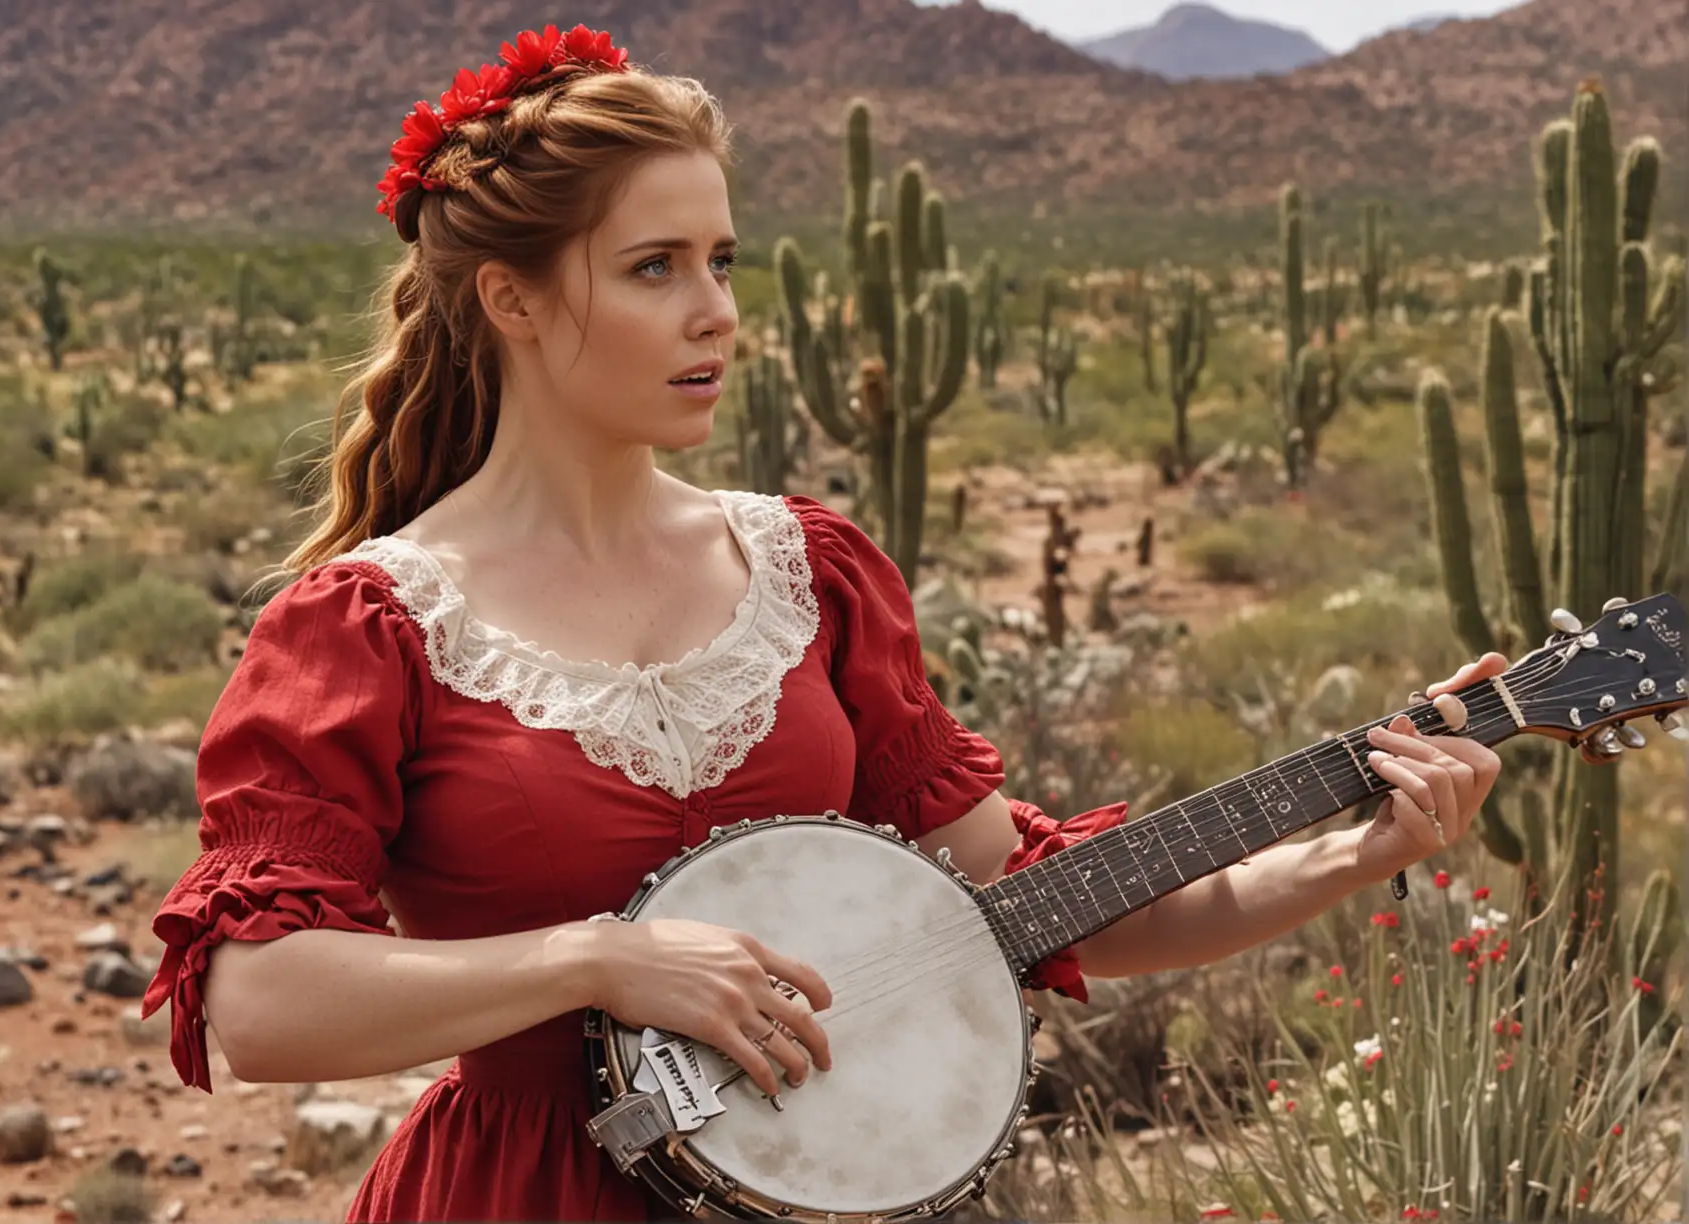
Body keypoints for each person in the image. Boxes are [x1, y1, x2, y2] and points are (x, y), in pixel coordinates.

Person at [140, 24, 1506, 1221]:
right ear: (510, 297)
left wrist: (1352, 849)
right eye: (656, 268)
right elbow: (255, 1008)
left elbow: (1027, 901)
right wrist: (599, 959)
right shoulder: (368, 625)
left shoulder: (812, 571)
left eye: (723, 261)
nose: (718, 314)